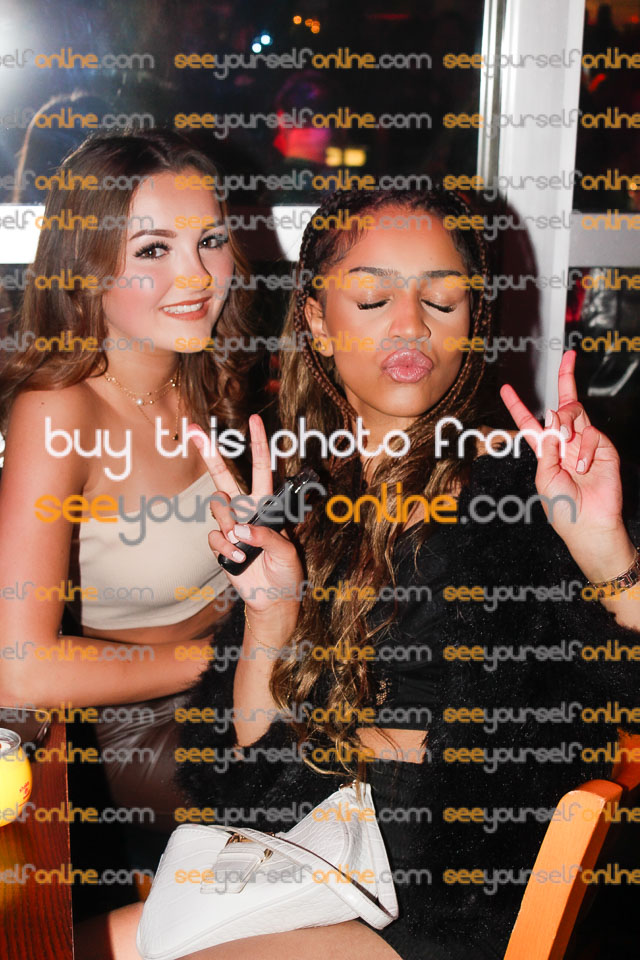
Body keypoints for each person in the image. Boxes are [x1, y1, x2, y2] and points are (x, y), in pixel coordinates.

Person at [85, 188, 640, 959]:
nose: (411, 325)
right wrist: (271, 615)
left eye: (442, 300)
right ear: (317, 319)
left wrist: (606, 549)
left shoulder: (526, 493)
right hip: (300, 866)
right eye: (374, 299)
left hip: (437, 907)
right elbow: (246, 782)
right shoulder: (297, 499)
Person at [0, 129, 257, 822]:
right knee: (331, 790)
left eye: (210, 240)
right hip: (134, 722)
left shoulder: (207, 375)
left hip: (241, 672)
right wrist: (238, 651)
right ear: (84, 268)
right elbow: (19, 667)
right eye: (153, 250)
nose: (197, 276)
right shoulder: (59, 412)